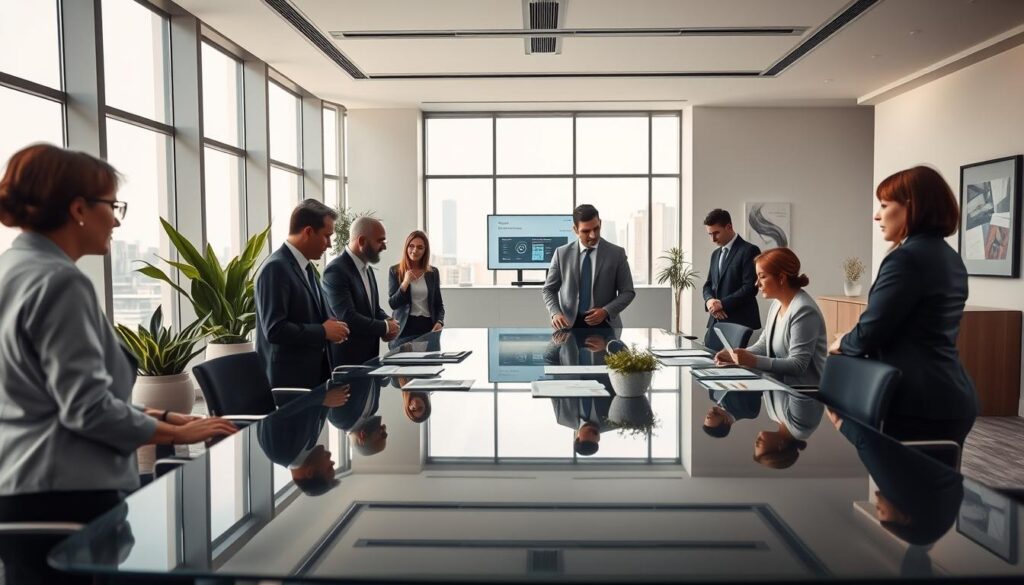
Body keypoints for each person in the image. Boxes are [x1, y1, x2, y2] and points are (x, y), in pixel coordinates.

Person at [0, 144, 238, 584]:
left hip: (22, 491)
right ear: (78, 209)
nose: (117, 219)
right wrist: (177, 432)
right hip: (66, 497)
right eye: (112, 205)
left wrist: (164, 415)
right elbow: (86, 409)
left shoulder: (12, 270)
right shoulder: (60, 283)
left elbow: (44, 400)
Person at [830, 166, 977, 446]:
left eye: (884, 205)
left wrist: (842, 342)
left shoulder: (906, 259)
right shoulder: (948, 256)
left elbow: (871, 332)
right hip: (948, 395)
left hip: (917, 402)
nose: (876, 215)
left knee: (903, 488)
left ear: (911, 206)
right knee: (928, 487)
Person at [255, 199, 350, 389]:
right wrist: (323, 331)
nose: (330, 245)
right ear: (308, 232)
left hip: (311, 380)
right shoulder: (276, 268)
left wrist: (334, 327)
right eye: (326, 236)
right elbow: (275, 330)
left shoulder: (306, 267)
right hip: (288, 385)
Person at [713, 247, 827, 387]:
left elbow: (798, 365)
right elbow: (763, 345)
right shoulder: (776, 305)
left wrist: (752, 360)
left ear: (781, 278)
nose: (757, 284)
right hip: (776, 388)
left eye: (762, 277)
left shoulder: (804, 310)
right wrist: (736, 355)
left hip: (802, 395)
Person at [543, 204, 635, 330]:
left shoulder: (617, 254)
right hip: (568, 326)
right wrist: (555, 313)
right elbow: (549, 290)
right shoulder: (561, 254)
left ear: (600, 223)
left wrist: (606, 311)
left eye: (596, 229)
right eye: (586, 231)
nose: (592, 235)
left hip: (606, 326)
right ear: (575, 229)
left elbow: (628, 291)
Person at [323, 216, 399, 365]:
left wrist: (388, 321)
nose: (384, 247)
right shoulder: (335, 271)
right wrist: (384, 327)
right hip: (348, 364)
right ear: (362, 241)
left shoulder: (367, 269)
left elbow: (373, 309)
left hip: (369, 359)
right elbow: (348, 317)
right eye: (380, 241)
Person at [255, 384, 350, 496]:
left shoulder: (279, 454)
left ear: (310, 472)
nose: (332, 460)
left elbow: (272, 414)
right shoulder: (309, 446)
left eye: (329, 467)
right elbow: (324, 403)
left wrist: (321, 398)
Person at [702, 209, 761, 347]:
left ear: (729, 227)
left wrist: (722, 304)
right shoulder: (715, 254)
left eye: (716, 233)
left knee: (735, 367)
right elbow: (708, 285)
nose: (713, 239)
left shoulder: (749, 250)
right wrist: (710, 301)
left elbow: (750, 287)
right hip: (715, 322)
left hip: (740, 323)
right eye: (710, 234)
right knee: (708, 363)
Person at [388, 230, 445, 347]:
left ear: (425, 251)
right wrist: (405, 282)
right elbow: (393, 303)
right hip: (404, 330)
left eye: (420, 247)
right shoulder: (395, 271)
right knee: (404, 365)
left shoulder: (433, 273)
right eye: (411, 246)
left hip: (428, 329)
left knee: (430, 364)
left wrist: (440, 322)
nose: (414, 250)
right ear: (406, 247)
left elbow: (438, 304)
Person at [753, 389, 824, 469]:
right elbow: (801, 386)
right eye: (759, 443)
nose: (756, 442)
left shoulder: (773, 416)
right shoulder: (800, 427)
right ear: (780, 446)